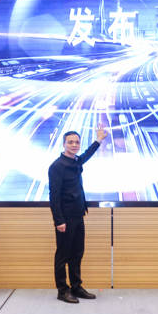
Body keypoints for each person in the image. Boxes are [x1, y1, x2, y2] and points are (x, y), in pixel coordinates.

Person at [48, 126, 107, 303]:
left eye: (77, 142)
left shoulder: (75, 161)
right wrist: (59, 220)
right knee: (62, 255)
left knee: (77, 253)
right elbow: (54, 196)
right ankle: (62, 290)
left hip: (78, 215)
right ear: (64, 144)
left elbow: (86, 155)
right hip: (65, 219)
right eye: (70, 142)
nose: (74, 145)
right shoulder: (57, 166)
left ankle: (76, 287)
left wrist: (98, 140)